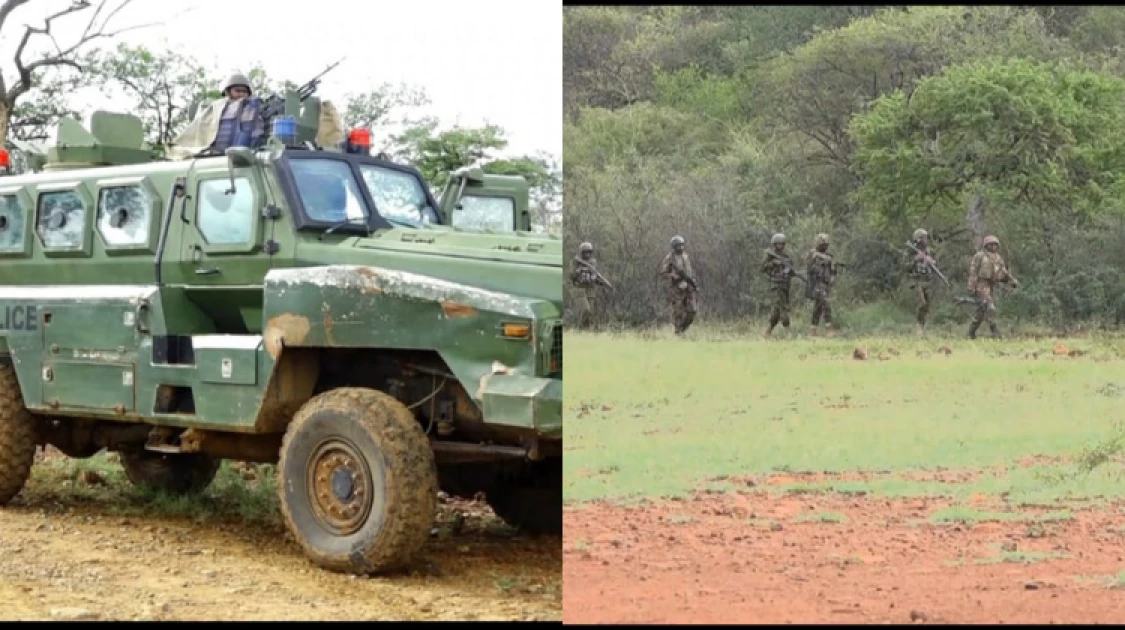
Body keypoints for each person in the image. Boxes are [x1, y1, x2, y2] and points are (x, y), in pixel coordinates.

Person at [967, 235, 1019, 339]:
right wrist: (972, 286)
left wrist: (1012, 280)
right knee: (990, 306)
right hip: (981, 284)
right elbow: (973, 271)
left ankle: (971, 332)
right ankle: (995, 331)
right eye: (991, 244)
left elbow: (1003, 271)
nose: (994, 246)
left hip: (991, 285)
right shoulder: (980, 256)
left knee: (981, 311)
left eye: (995, 244)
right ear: (986, 245)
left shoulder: (998, 258)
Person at [209, 72, 265, 152]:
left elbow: (256, 135)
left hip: (242, 156)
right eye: (237, 91)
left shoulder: (252, 110)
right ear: (228, 92)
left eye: (244, 92)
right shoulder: (216, 108)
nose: (241, 94)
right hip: (214, 156)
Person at [659, 235, 698, 335]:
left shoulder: (685, 256)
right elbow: (663, 274)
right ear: (674, 247)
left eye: (681, 245)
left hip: (688, 287)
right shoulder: (669, 258)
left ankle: (682, 329)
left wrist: (692, 282)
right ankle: (678, 333)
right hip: (677, 289)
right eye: (678, 246)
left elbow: (689, 271)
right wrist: (673, 276)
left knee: (692, 311)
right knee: (678, 313)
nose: (680, 248)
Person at [902, 228, 937, 334]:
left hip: (927, 280)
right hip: (916, 280)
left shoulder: (929, 251)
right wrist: (915, 259)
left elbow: (935, 265)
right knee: (922, 302)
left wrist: (932, 262)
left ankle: (923, 326)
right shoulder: (910, 251)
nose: (926, 240)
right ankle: (918, 325)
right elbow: (904, 267)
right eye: (924, 238)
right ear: (918, 239)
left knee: (927, 305)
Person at [570, 242, 611, 330]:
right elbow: (572, 277)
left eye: (589, 252)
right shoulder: (576, 262)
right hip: (579, 290)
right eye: (585, 252)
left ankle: (586, 331)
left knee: (591, 314)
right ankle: (579, 329)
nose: (587, 254)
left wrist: (602, 283)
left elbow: (595, 277)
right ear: (581, 252)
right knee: (585, 310)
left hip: (590, 291)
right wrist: (579, 270)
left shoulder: (593, 263)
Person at [762, 233, 795, 338]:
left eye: (782, 244)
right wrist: (773, 263)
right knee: (782, 308)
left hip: (785, 285)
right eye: (778, 244)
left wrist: (789, 271)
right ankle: (788, 331)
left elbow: (790, 270)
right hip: (776, 285)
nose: (780, 246)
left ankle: (767, 333)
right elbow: (762, 268)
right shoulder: (770, 256)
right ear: (774, 244)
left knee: (776, 311)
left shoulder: (786, 256)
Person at [804, 233, 837, 337]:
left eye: (826, 245)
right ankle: (829, 328)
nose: (824, 247)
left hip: (825, 283)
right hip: (816, 283)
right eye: (822, 244)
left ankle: (812, 329)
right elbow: (809, 268)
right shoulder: (813, 254)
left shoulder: (829, 256)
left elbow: (833, 271)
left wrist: (832, 278)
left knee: (818, 308)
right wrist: (819, 264)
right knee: (825, 303)